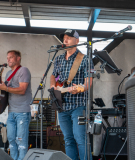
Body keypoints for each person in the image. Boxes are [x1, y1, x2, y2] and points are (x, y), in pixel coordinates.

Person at [50, 29, 94, 160]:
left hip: (78, 105)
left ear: (77, 41)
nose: (65, 40)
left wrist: (81, 88)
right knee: (68, 140)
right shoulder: (58, 59)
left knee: (81, 139)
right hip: (62, 105)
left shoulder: (85, 59)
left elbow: (88, 83)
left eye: (69, 37)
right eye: (64, 38)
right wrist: (53, 85)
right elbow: (53, 75)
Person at [0, 50, 32, 160]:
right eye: (7, 58)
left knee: (21, 140)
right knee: (11, 139)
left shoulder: (23, 70)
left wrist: (5, 88)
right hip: (11, 112)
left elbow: (22, 90)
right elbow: (7, 91)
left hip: (22, 111)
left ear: (18, 58)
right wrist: (1, 88)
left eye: (11, 57)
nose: (8, 60)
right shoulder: (7, 73)